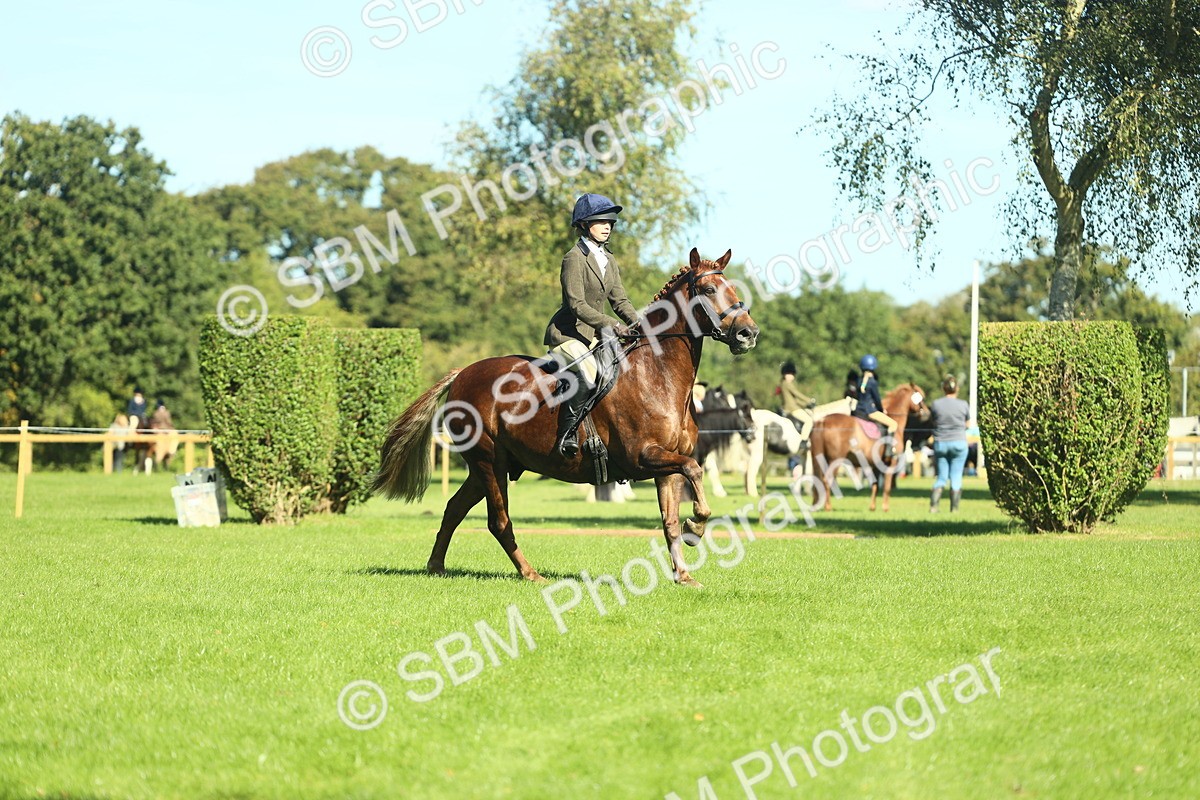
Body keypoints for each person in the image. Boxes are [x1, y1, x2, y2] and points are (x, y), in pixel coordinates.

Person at [544, 193, 640, 457]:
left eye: (611, 221)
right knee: (587, 377)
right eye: (601, 221)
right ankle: (567, 435)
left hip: (595, 335)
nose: (608, 225)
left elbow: (620, 300)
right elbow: (576, 305)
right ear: (585, 224)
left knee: (620, 377)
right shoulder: (573, 258)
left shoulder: (609, 259)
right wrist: (612, 324)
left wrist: (639, 324)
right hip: (568, 334)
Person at [929, 374, 971, 512]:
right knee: (956, 476)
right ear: (957, 389)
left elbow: (933, 422)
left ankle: (934, 507)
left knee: (941, 476)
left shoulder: (936, 404)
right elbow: (968, 425)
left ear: (943, 388)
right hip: (959, 443)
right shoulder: (963, 404)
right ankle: (954, 509)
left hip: (941, 443)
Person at [851, 354, 898, 459]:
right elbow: (877, 399)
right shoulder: (872, 382)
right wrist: (881, 410)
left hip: (858, 410)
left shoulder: (858, 381)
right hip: (869, 411)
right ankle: (889, 451)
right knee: (893, 424)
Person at [774, 361, 817, 469]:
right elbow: (797, 395)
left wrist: (806, 405)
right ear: (785, 374)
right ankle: (803, 441)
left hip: (793, 406)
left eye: (792, 374)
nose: (791, 376)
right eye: (789, 374)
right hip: (791, 409)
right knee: (809, 421)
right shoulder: (787, 384)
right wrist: (809, 400)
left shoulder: (784, 383)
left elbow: (795, 400)